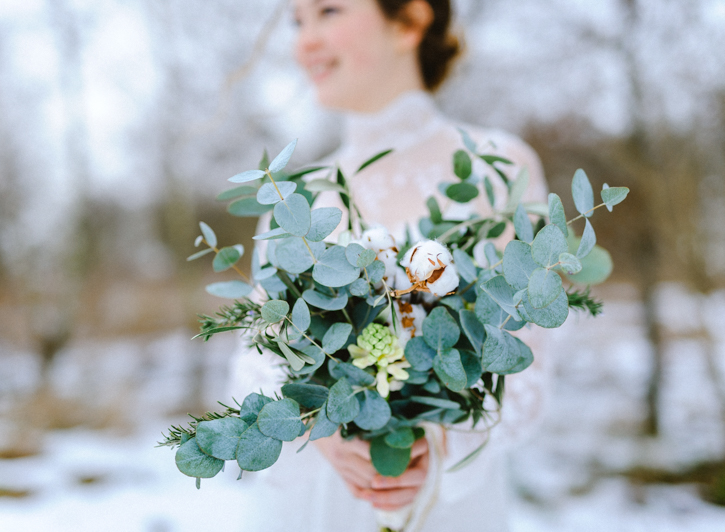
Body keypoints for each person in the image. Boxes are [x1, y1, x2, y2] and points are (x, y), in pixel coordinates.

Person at [229, 1, 550, 530]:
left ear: (409, 21)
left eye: (329, 11)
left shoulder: (503, 168)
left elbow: (527, 360)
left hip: (447, 500)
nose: (304, 40)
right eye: (296, 20)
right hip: (320, 502)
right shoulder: (297, 197)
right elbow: (253, 363)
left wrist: (442, 438)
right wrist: (317, 430)